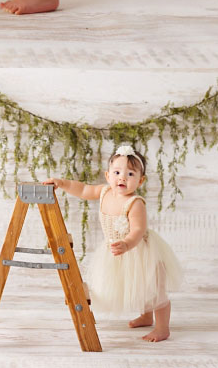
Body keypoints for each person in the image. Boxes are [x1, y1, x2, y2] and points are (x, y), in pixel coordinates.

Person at [45, 144, 183, 342]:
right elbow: (83, 189)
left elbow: (138, 230)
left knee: (153, 288)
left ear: (140, 180)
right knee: (135, 286)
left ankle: (162, 328)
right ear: (108, 175)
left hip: (139, 251)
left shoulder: (135, 203)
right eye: (117, 172)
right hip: (115, 249)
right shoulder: (103, 192)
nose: (122, 178)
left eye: (130, 174)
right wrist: (62, 183)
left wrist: (127, 244)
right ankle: (146, 316)